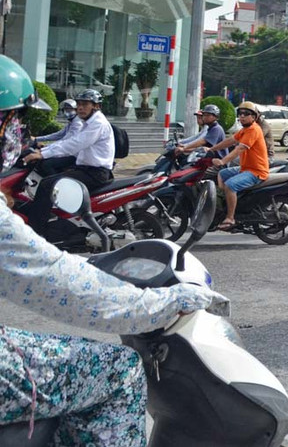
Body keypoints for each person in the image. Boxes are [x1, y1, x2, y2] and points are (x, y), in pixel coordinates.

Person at [0, 59, 226, 446]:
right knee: (120, 370)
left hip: (96, 176)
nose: (16, 133)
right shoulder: (79, 123)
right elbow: (52, 280)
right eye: (13, 122)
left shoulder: (99, 124)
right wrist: (165, 302)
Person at [23, 89, 115, 234]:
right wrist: (42, 149)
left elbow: (74, 144)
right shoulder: (87, 122)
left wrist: (43, 154)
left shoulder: (98, 123)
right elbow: (67, 139)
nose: (80, 108)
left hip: (95, 173)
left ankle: (36, 231)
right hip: (85, 169)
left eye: (85, 104)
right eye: (78, 104)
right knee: (51, 180)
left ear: (96, 106)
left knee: (48, 185)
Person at [206, 101, 269, 230]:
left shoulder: (253, 130)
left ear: (254, 117)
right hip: (246, 168)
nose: (242, 117)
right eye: (240, 114)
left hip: (256, 171)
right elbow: (230, 141)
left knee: (230, 185)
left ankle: (230, 218)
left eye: (246, 114)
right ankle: (230, 202)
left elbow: (240, 149)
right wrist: (212, 149)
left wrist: (223, 161)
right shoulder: (244, 130)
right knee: (222, 174)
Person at [32, 99, 83, 176]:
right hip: (66, 151)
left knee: (46, 164)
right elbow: (59, 135)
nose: (67, 111)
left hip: (73, 155)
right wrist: (37, 139)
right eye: (65, 109)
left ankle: (57, 184)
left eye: (70, 109)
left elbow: (65, 141)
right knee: (40, 161)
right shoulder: (72, 122)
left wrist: (45, 148)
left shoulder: (78, 124)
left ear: (76, 110)